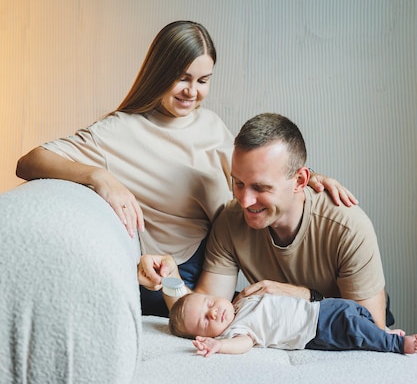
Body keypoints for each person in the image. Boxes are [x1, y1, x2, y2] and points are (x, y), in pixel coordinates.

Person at [16, 22, 356, 316]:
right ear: (160, 73)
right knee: (272, 311)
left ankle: (356, 310)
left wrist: (301, 179)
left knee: (302, 295)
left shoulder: (209, 123)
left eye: (203, 80)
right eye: (182, 78)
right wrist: (100, 178)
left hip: (224, 256)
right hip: (171, 273)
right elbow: (30, 161)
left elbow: (248, 175)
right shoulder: (118, 132)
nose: (193, 92)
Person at [138, 112, 394, 327]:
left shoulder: (348, 227)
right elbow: (203, 309)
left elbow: (371, 328)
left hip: (348, 311)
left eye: (260, 188)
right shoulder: (230, 221)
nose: (245, 200)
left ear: (301, 181)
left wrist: (304, 296)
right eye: (238, 183)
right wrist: (170, 278)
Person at [168, 291, 416, 357]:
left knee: (357, 312)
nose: (212, 313)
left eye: (210, 303)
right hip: (315, 330)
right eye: (203, 321)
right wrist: (218, 346)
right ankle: (396, 344)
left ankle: (382, 331)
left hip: (319, 308)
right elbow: (242, 345)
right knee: (353, 328)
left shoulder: (240, 303)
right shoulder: (237, 331)